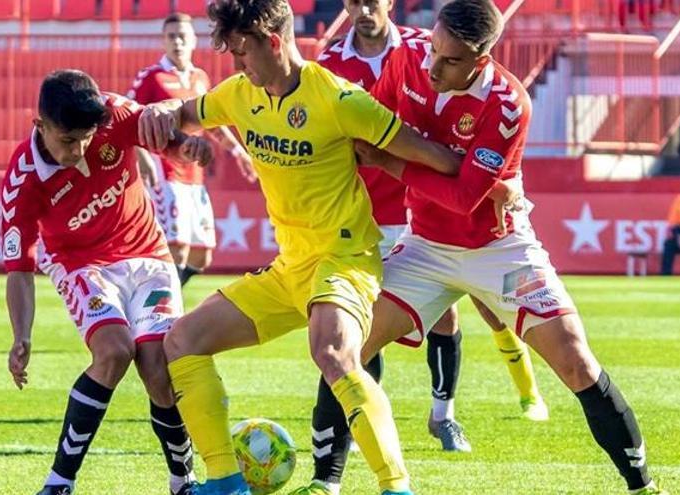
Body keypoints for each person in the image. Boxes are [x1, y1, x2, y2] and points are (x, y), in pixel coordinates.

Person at [296, 1, 667, 494]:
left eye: (449, 61)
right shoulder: (407, 56)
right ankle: (326, 484)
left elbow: (466, 197)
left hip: (500, 249)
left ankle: (643, 486)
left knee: (576, 359)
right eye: (433, 50)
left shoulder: (507, 103)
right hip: (426, 246)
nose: (432, 67)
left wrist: (395, 166)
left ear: (481, 58)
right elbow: (374, 124)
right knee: (346, 349)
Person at [137, 0, 481, 492]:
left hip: (345, 260)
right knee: (182, 341)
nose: (237, 65)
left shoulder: (339, 99)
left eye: (242, 53)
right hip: (290, 268)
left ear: (273, 43)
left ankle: (396, 486)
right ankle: (226, 481)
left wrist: (491, 177)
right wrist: (163, 111)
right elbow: (186, 114)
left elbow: (429, 155)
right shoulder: (238, 94)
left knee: (334, 351)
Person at [310, 1, 547, 484]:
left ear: (389, 4)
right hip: (362, 211)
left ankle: (444, 415)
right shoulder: (329, 62)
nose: (362, 10)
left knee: (451, 312)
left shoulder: (419, 50)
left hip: (418, 210)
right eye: (353, 2)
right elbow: (344, 133)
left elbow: (456, 150)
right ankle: (356, 426)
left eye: (371, 1)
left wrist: (498, 180)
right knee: (362, 322)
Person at [2, 69, 213, 495]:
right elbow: (20, 269)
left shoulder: (114, 114)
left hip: (148, 255)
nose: (78, 149)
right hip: (83, 266)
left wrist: (189, 149)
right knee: (114, 352)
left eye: (85, 137)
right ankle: (60, 482)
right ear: (39, 125)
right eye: (67, 140)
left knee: (159, 369)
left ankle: (182, 481)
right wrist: (20, 335)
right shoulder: (22, 181)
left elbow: (168, 138)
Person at [128, 12, 256, 287]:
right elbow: (130, 120)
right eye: (171, 36)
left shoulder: (200, 78)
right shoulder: (152, 77)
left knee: (202, 256)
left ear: (193, 41)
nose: (177, 42)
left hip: (194, 176)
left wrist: (240, 153)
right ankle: (161, 311)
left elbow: (213, 125)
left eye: (182, 36)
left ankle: (156, 296)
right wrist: (144, 160)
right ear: (164, 41)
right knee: (177, 249)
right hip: (166, 173)